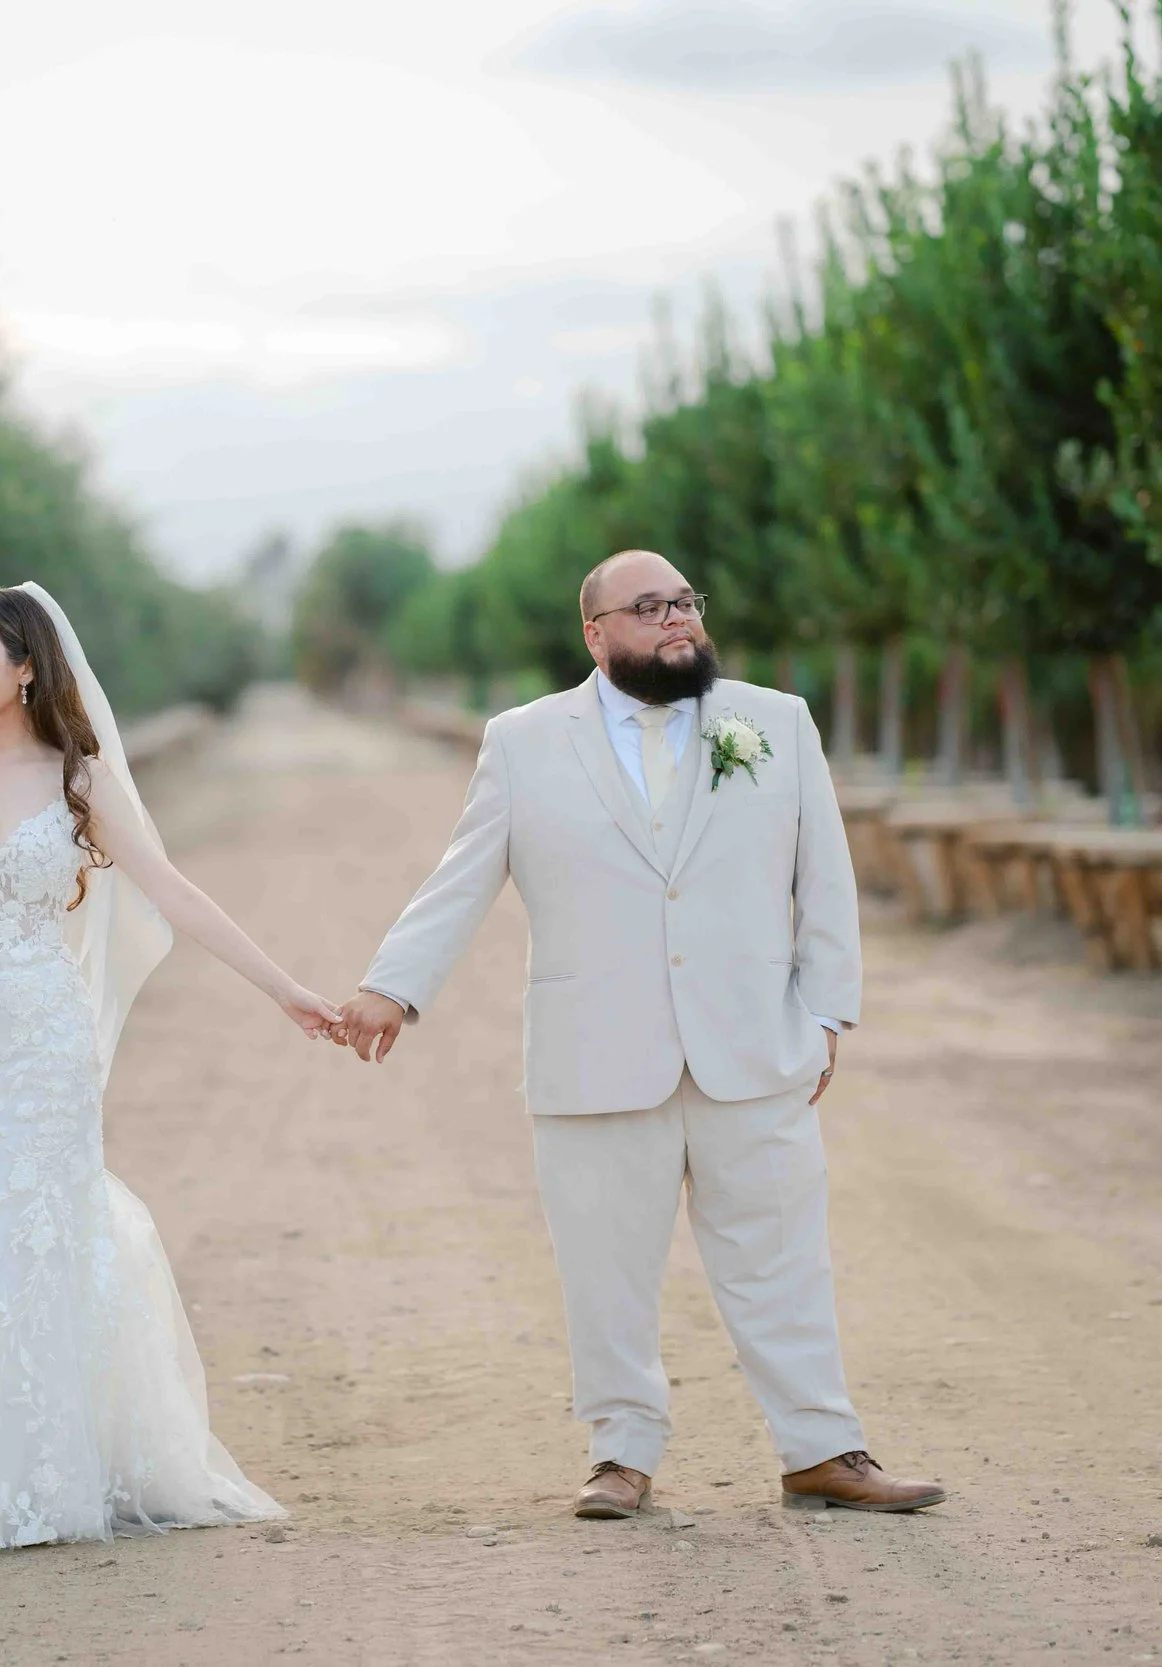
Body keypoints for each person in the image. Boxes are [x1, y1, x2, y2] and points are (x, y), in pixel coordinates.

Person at [330, 549, 945, 1518]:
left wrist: (827, 1009)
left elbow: (822, 875)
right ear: (596, 632)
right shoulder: (525, 740)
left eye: (686, 602)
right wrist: (391, 988)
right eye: (649, 607)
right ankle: (620, 1452)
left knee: (782, 1256)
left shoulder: (772, 722)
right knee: (604, 1264)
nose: (677, 622)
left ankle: (822, 1448)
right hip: (596, 1045)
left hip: (751, 1042)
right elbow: (463, 874)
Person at [0, 582, 339, 1553]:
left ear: (28, 665)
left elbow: (174, 892)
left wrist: (285, 989)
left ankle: (32, 1478)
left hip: (40, 1044)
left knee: (33, 1238)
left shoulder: (81, 779)